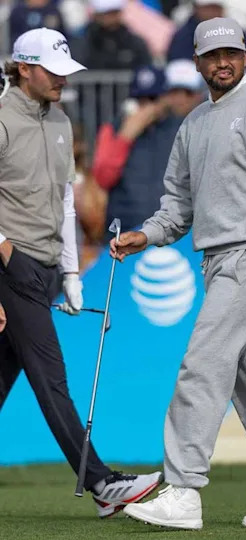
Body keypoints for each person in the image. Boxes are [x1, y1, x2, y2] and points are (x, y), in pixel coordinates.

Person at [113, 17, 246, 530]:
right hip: (217, 260)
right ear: (197, 61)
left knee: (203, 364)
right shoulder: (194, 124)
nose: (222, 62)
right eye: (212, 56)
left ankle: (183, 490)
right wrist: (149, 233)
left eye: (231, 53)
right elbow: (179, 203)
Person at [0, 27, 162, 519]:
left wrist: (71, 273)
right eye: (53, 71)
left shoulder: (62, 121)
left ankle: (100, 484)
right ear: (24, 67)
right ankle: (101, 482)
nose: (62, 81)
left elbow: (67, 200)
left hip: (45, 267)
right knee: (52, 379)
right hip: (11, 266)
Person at [90, 66, 183, 233]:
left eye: (153, 99)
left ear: (166, 97)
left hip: (170, 233)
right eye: (140, 99)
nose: (146, 105)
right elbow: (103, 178)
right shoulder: (114, 128)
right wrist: (125, 137)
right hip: (126, 230)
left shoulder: (182, 129)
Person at [167, 0, 246, 70]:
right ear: (196, 8)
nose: (212, 12)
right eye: (208, 8)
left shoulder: (238, 33)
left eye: (216, 8)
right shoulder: (182, 37)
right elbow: (179, 69)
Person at [70, 0, 153, 71]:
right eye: (105, 13)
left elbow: (145, 69)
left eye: (113, 12)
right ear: (96, 14)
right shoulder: (84, 41)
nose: (109, 17)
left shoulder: (134, 42)